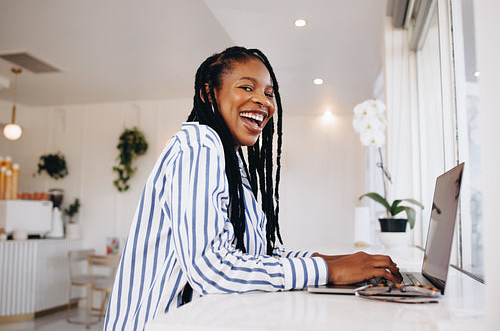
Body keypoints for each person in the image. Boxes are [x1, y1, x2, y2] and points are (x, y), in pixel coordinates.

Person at [104, 46, 402, 331]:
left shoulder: (228, 160)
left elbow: (260, 255)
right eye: (247, 88)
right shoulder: (199, 145)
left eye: (269, 93)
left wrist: (335, 262)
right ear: (210, 93)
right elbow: (213, 269)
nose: (264, 102)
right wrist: (330, 271)